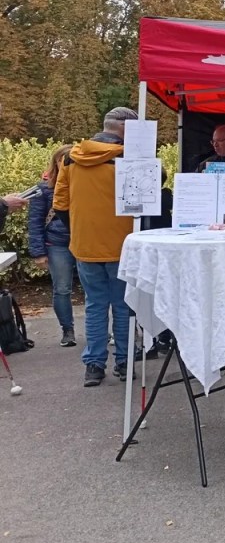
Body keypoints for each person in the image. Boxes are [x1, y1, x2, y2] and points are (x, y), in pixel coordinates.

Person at [53, 106, 138, 387]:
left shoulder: (69, 159)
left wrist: (78, 230)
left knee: (94, 305)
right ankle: (124, 363)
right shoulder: (129, 157)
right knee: (123, 307)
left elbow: (60, 204)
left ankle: (93, 366)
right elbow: (154, 187)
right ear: (125, 130)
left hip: (85, 245)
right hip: (123, 244)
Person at [27, 145, 77, 347]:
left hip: (84, 242)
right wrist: (38, 252)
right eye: (63, 159)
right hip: (57, 243)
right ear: (56, 162)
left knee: (96, 291)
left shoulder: (85, 186)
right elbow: (35, 221)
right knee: (62, 288)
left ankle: (100, 331)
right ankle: (68, 329)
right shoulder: (44, 189)